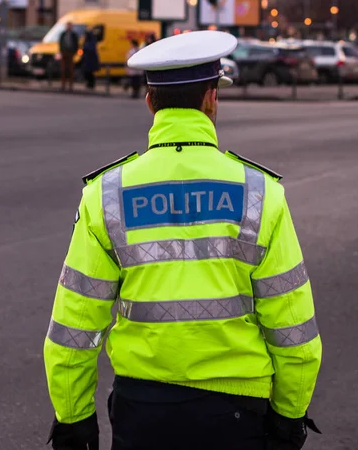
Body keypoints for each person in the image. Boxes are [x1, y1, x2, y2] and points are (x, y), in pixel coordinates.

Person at [44, 31, 322, 450]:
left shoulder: (105, 194)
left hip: (144, 411)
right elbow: (293, 326)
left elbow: (74, 325)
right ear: (212, 99)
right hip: (238, 412)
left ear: (151, 103)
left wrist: (73, 418)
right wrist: (289, 416)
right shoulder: (260, 193)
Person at [59, 22, 78, 92]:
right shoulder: (63, 34)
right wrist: (62, 51)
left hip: (71, 54)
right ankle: (63, 85)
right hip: (64, 53)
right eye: (67, 26)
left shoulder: (73, 35)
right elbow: (60, 43)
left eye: (70, 26)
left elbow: (76, 44)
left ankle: (70, 86)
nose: (68, 27)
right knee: (63, 70)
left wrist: (74, 52)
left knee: (70, 71)